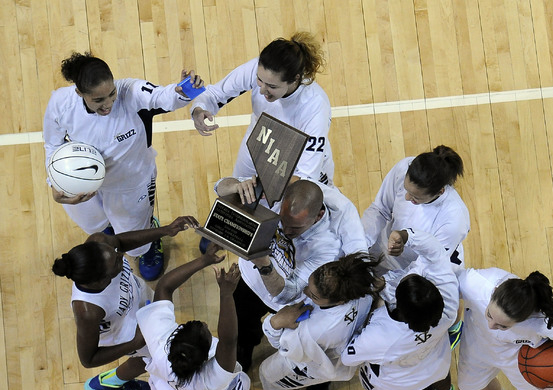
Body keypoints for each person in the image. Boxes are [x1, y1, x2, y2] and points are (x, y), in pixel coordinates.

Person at [44, 51, 204, 280]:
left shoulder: (131, 92)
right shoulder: (60, 103)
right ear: (79, 93)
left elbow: (161, 96)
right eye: (98, 100)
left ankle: (148, 240)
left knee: (136, 246)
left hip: (130, 182)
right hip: (81, 183)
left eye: (111, 94)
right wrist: (54, 184)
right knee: (98, 229)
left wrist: (184, 91)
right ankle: (116, 234)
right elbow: (52, 145)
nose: (108, 104)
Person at [361, 145, 470, 390]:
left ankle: (451, 329)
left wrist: (384, 285)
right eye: (406, 191)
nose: (407, 198)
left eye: (416, 198)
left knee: (427, 335)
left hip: (430, 274)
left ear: (440, 192)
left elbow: (426, 268)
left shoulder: (453, 218)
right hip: (392, 255)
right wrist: (359, 248)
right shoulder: (404, 168)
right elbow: (381, 209)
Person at [51, 216, 199, 390]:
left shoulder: (99, 243)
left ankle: (112, 381)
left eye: (116, 253)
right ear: (100, 281)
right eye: (115, 263)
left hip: (143, 305)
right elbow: (88, 359)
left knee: (148, 357)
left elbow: (119, 242)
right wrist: (133, 343)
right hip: (130, 335)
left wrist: (165, 231)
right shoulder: (88, 311)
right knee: (149, 358)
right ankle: (108, 384)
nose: (121, 256)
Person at [340, 238, 460, 390]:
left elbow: (348, 358)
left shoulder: (380, 335)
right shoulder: (449, 302)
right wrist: (408, 234)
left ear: (401, 309)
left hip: (399, 382)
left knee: (372, 383)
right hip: (437, 363)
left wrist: (370, 313)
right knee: (440, 365)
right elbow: (434, 251)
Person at [136, 249, 251, 390]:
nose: (206, 325)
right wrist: (227, 293)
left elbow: (164, 287)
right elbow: (228, 339)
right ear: (206, 356)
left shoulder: (161, 343)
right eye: (207, 331)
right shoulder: (214, 378)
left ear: (176, 335)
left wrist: (204, 260)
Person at [254, 253, 381, 390]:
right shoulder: (360, 285)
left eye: (313, 295)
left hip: (317, 362)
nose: (305, 292)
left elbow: (284, 349)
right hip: (338, 345)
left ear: (338, 301)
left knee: (268, 375)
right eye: (309, 286)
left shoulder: (315, 330)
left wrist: (275, 322)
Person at [192, 32, 333, 196]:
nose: (262, 90)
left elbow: (306, 178)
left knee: (295, 209)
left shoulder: (315, 106)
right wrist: (198, 110)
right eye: (260, 80)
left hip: (297, 160)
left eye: (272, 86)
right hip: (260, 141)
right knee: (238, 198)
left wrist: (261, 188)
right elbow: (214, 94)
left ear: (295, 80)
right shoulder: (260, 69)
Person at [233, 180, 342, 372]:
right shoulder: (276, 194)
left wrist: (264, 265)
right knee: (243, 321)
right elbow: (220, 186)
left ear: (319, 216)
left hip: (291, 303)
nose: (286, 230)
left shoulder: (328, 247)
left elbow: (285, 294)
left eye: (295, 228)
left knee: (302, 351)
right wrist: (237, 187)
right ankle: (245, 345)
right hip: (251, 281)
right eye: (283, 222)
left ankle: (318, 382)